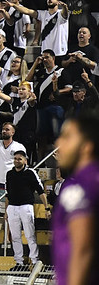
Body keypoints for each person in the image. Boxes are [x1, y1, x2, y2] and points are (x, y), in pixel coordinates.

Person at [52, 112, 99, 285]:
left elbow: (83, 248)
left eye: (67, 138)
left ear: (86, 146)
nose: (59, 144)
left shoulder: (78, 187)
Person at [5, 150, 49, 269]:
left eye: (19, 159)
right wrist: (6, 210)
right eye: (15, 159)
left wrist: (47, 207)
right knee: (15, 236)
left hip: (26, 207)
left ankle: (34, 261)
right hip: (12, 207)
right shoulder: (9, 174)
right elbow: (8, 194)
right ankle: (19, 262)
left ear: (25, 160)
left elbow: (40, 191)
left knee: (30, 235)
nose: (16, 161)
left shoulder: (30, 173)